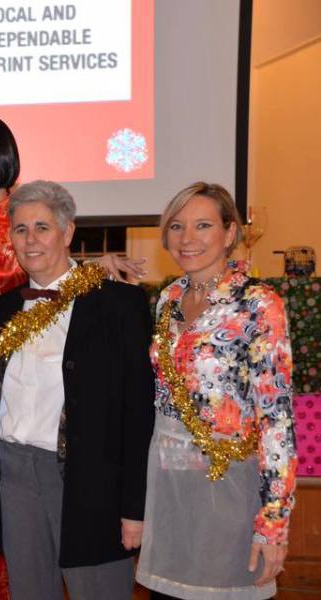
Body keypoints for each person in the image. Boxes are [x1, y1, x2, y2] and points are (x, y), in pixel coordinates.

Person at [0, 181, 155, 600]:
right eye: (20, 229)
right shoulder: (2, 309)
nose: (30, 240)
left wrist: (134, 508)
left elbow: (138, 414)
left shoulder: (118, 304)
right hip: (14, 476)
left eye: (42, 227)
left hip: (89, 482)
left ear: (68, 232)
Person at [135, 182, 297, 600]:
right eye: (176, 226)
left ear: (229, 233)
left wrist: (273, 523)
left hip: (228, 488)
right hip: (170, 486)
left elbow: (276, 417)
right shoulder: (168, 298)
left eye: (203, 225)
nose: (187, 238)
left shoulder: (258, 303)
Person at [0, 112, 147, 324]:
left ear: (1, 154)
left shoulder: (28, 218)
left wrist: (91, 269)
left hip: (18, 337)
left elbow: (57, 277)